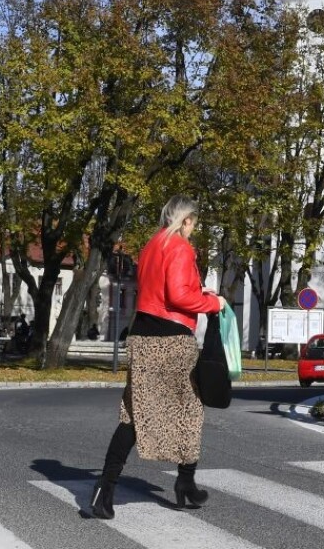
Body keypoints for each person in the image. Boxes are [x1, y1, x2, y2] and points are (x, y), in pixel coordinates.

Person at [87, 195, 228, 520]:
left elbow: (162, 291)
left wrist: (200, 295)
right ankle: (185, 482)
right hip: (171, 341)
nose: (194, 228)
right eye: (194, 222)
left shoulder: (151, 246)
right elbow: (178, 295)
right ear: (186, 220)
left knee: (135, 415)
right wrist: (213, 304)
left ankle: (103, 491)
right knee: (190, 412)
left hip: (142, 337)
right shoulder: (179, 246)